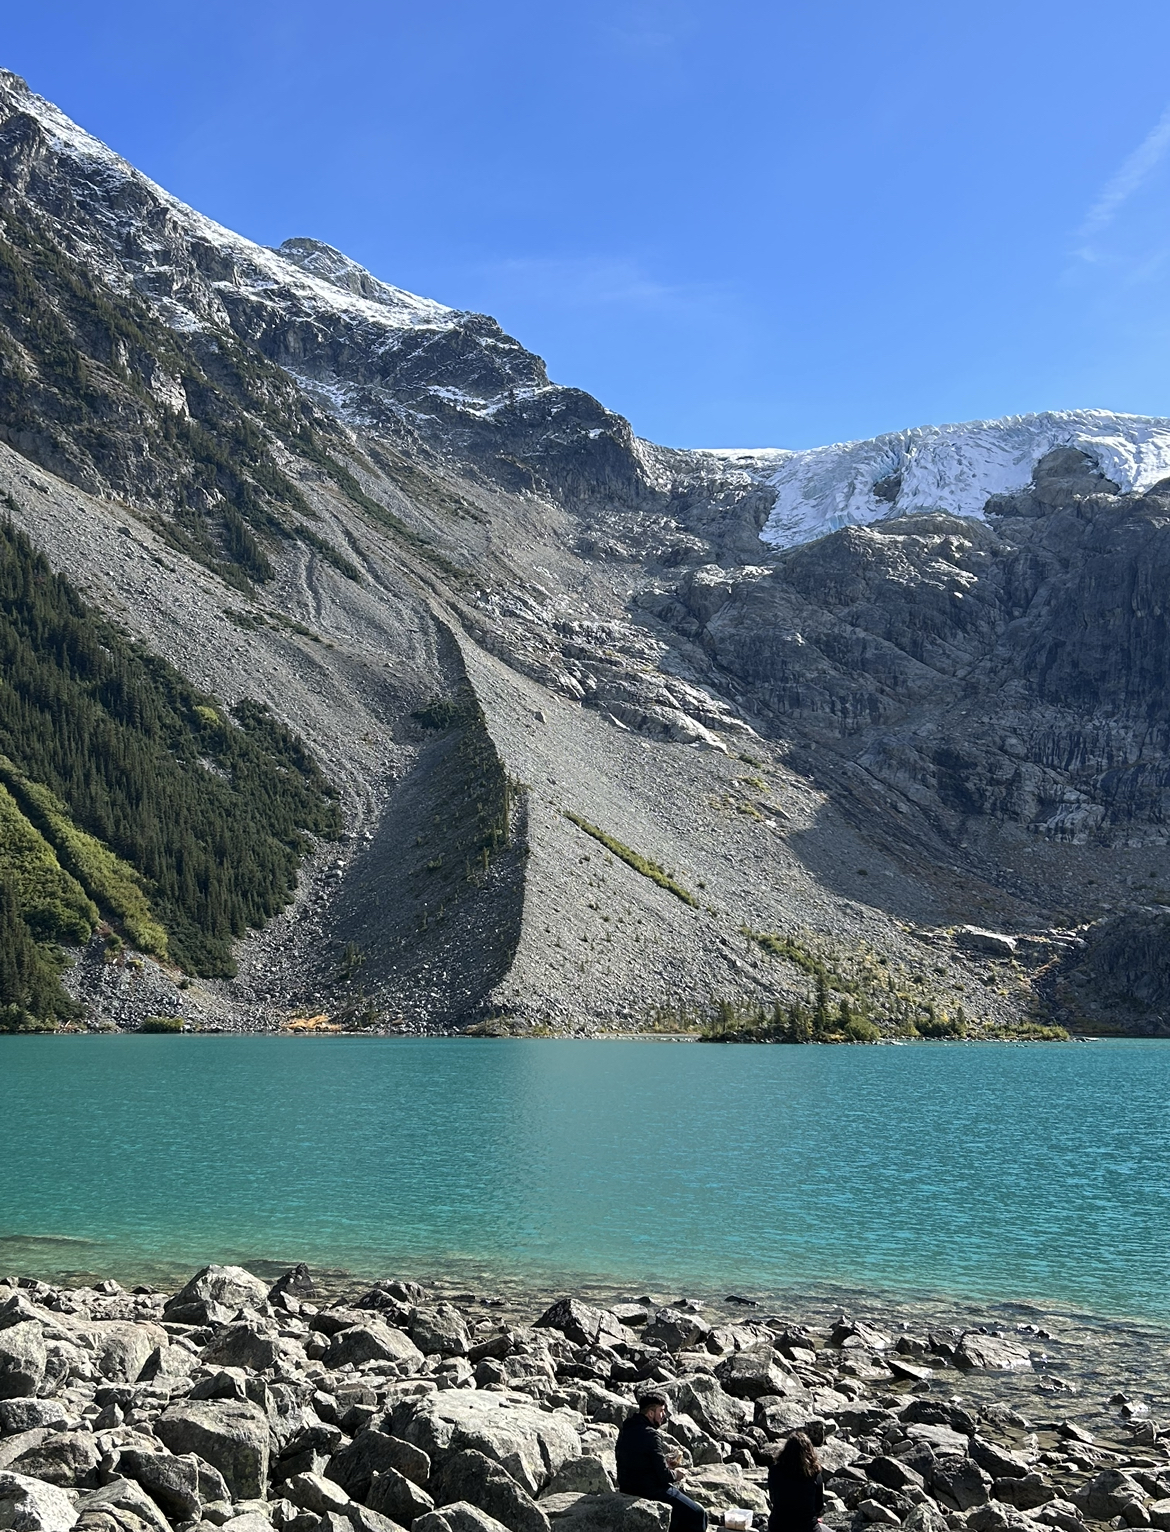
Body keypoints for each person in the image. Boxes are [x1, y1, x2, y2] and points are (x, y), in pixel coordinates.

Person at [616, 1391, 708, 1532]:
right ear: (651, 1413)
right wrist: (676, 1475)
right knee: (698, 1514)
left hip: (627, 1487)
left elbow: (636, 1459)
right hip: (649, 1490)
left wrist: (664, 1461)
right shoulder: (651, 1435)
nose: (664, 1415)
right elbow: (663, 1476)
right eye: (661, 1411)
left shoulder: (626, 1430)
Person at [766, 1432, 824, 1532]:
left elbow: (773, 1499)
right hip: (807, 1528)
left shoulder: (775, 1470)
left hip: (779, 1527)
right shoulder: (815, 1474)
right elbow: (818, 1506)